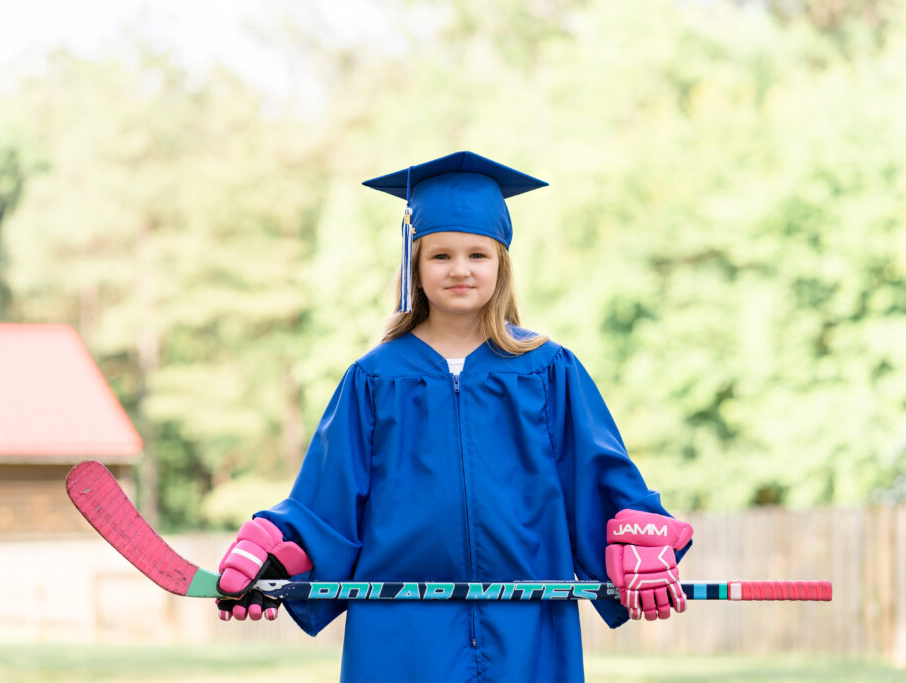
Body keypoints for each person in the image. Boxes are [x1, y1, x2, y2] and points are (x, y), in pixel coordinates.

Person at [214, 151, 693, 683]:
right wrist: (280, 553)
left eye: (477, 255)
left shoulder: (547, 369)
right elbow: (327, 496)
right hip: (400, 627)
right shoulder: (375, 378)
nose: (460, 269)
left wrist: (636, 534)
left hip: (527, 617)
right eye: (440, 255)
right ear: (414, 266)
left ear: (501, 265)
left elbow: (597, 475)